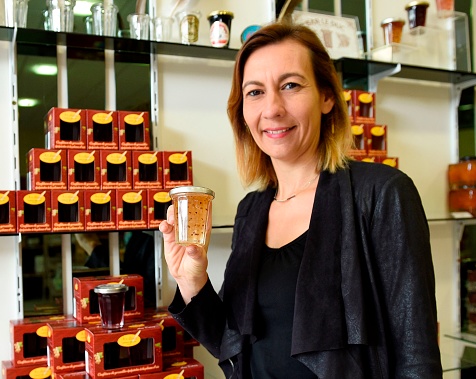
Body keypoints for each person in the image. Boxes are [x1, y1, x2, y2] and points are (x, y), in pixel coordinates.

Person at [159, 22, 442, 378]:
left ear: (326, 96)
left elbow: (417, 359)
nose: (273, 108)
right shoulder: (251, 210)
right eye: (255, 92)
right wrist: (192, 282)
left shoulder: (382, 194)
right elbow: (232, 347)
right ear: (242, 112)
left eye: (290, 85)